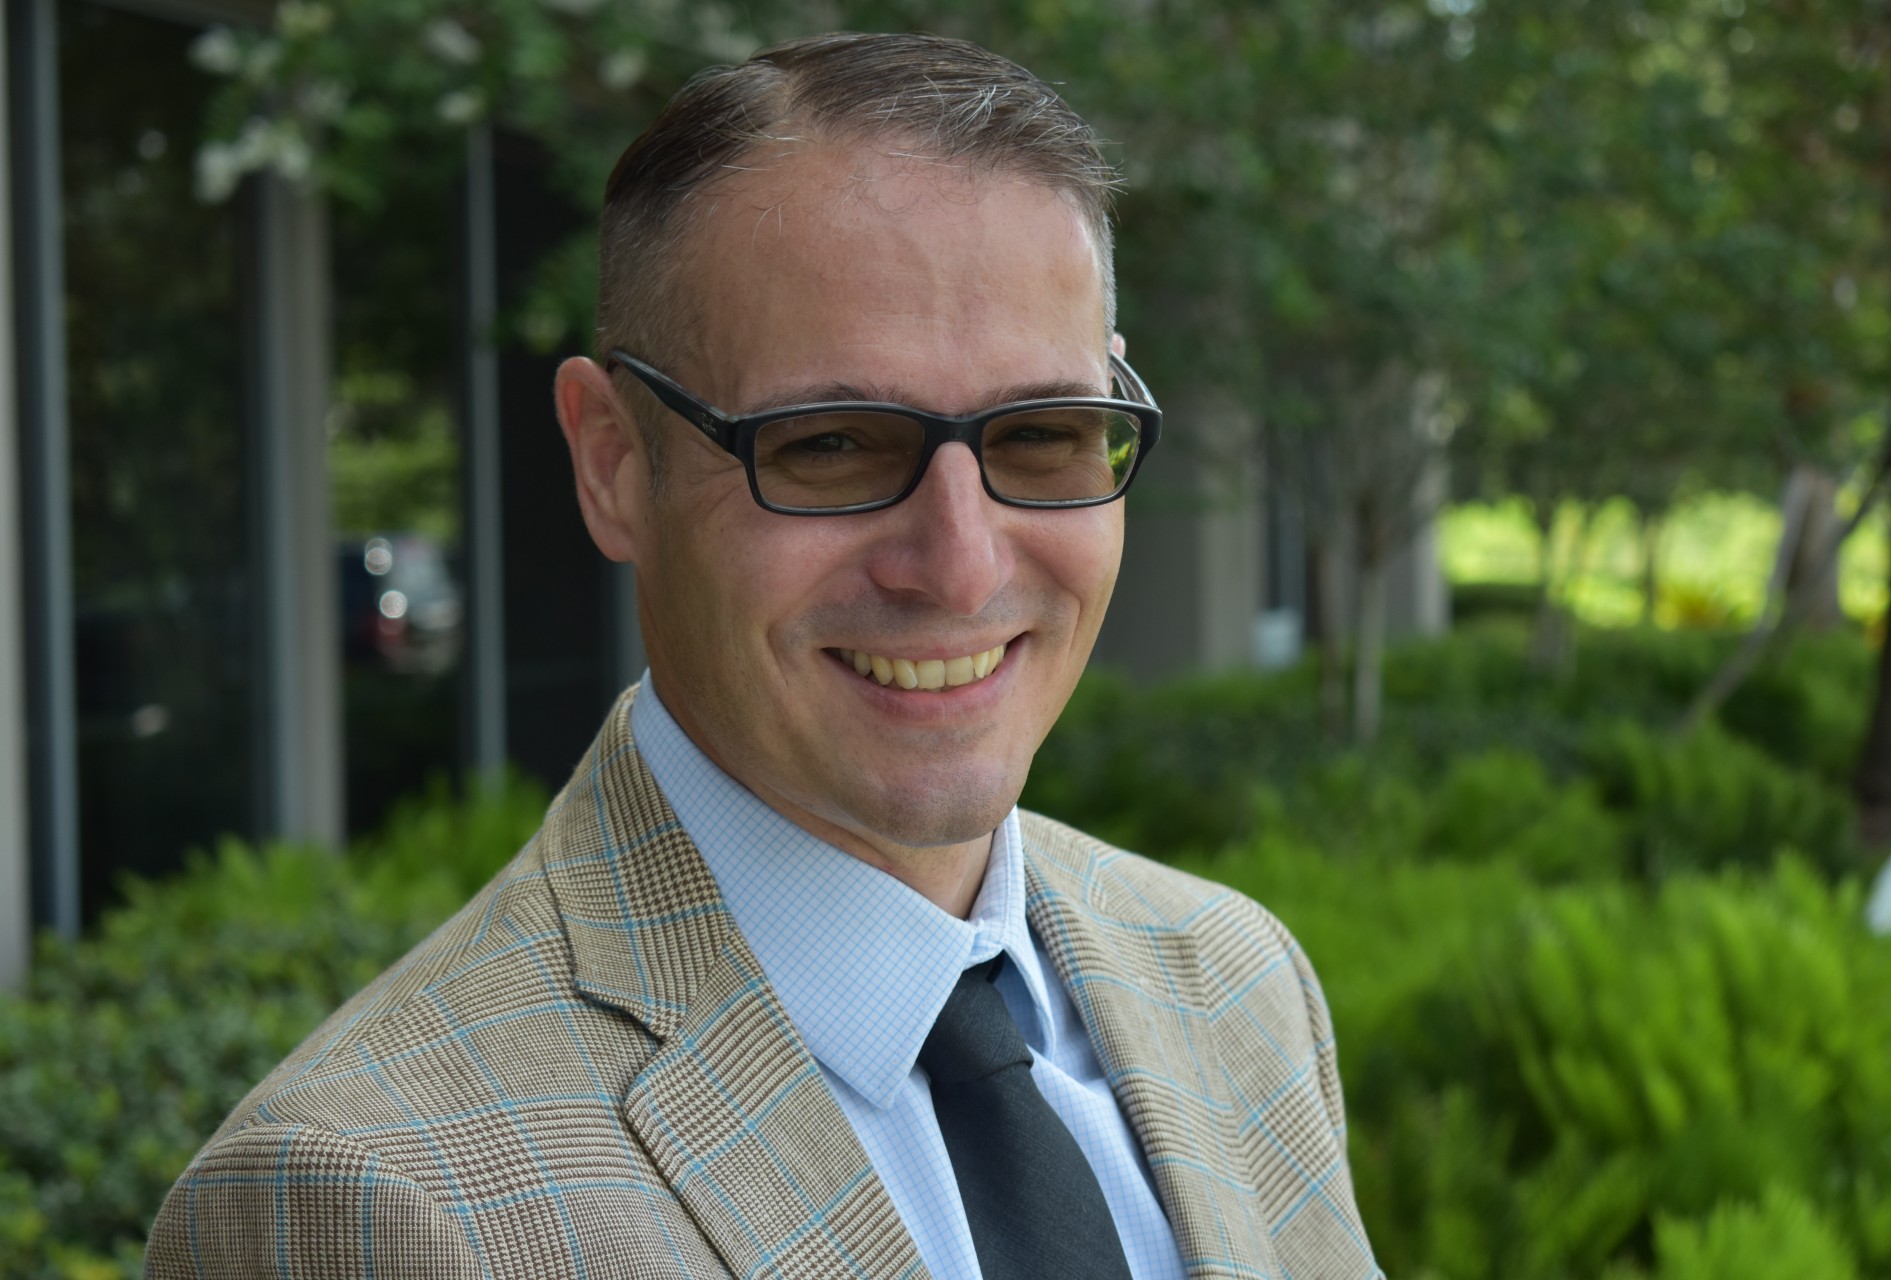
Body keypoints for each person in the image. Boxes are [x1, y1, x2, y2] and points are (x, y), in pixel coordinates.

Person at [146, 32, 1380, 1279]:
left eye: (1044, 433)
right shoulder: (371, 1199)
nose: (959, 567)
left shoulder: (1237, 985)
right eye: (831, 444)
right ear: (613, 463)